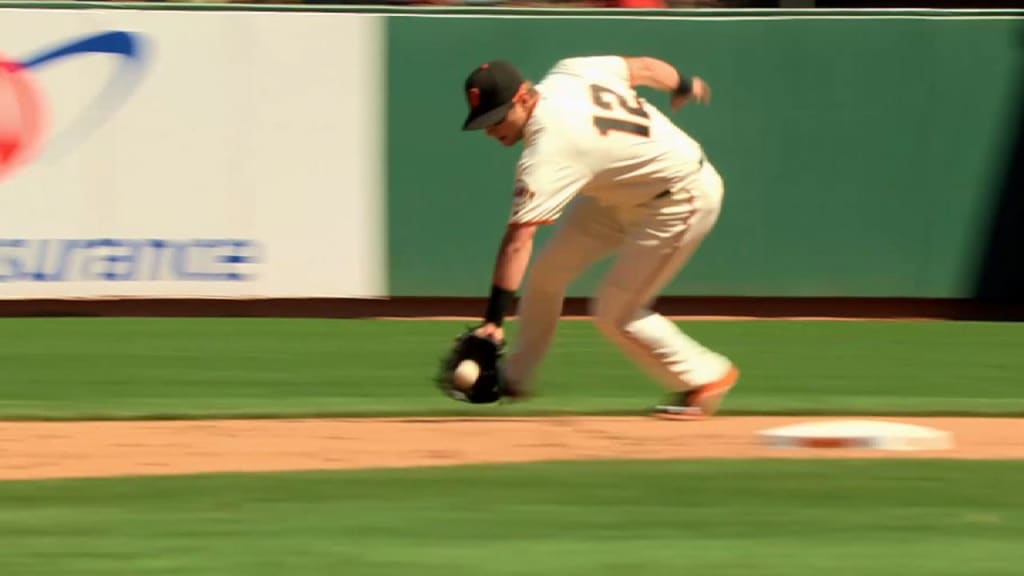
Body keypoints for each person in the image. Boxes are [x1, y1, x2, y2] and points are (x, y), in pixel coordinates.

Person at [460, 55, 739, 419]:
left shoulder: (548, 149)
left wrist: (493, 321)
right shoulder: (570, 71)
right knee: (547, 274)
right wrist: (682, 84)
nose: (491, 129)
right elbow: (644, 69)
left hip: (679, 197)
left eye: (498, 117)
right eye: (485, 121)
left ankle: (706, 377)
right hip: (617, 195)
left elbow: (519, 240)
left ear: (525, 97)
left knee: (615, 311)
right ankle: (515, 377)